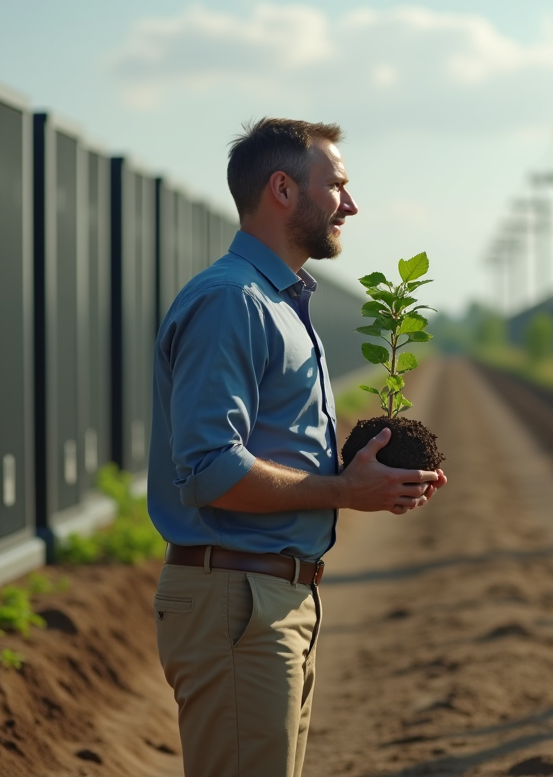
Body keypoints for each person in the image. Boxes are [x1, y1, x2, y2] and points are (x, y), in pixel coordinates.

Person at [147, 117, 447, 777]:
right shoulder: (233, 302)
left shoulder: (278, 303)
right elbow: (209, 468)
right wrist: (344, 491)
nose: (351, 202)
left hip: (270, 599)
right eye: (336, 184)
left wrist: (371, 476)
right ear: (282, 189)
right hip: (237, 601)